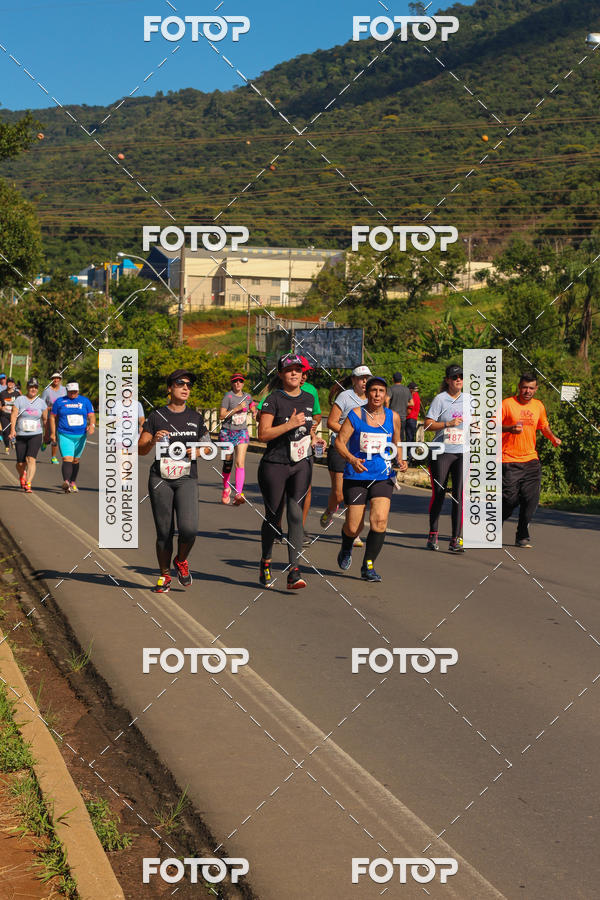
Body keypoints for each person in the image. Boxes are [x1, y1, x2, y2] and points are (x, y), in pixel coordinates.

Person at [139, 369, 209, 593]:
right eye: (181, 384)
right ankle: (164, 575)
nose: (186, 388)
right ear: (170, 388)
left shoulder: (196, 418)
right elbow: (140, 449)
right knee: (164, 532)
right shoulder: (156, 415)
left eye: (189, 385)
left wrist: (199, 451)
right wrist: (152, 442)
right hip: (161, 478)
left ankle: (181, 559)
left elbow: (208, 446)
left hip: (187, 478)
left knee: (189, 529)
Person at [334, 376, 406, 581]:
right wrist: (350, 458)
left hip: (383, 475)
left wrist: (400, 459)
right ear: (367, 394)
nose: (377, 395)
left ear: (386, 395)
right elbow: (340, 442)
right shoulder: (355, 415)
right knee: (354, 526)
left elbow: (397, 441)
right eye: (373, 390)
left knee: (380, 522)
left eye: (381, 391)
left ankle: (368, 566)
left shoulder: (393, 417)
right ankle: (346, 547)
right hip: (357, 475)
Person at [257, 354, 317, 590]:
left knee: (295, 513)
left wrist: (314, 439)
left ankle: (294, 570)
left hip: (301, 463)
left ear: (303, 375)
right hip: (275, 464)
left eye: (298, 370)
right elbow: (263, 435)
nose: (294, 373)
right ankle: (266, 561)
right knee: (274, 517)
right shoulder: (273, 400)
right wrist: (289, 425)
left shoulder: (310, 398)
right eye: (289, 370)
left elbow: (307, 430)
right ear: (281, 374)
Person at [502, 373, 561, 548]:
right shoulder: (507, 404)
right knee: (510, 500)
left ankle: (522, 535)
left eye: (531, 388)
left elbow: (543, 425)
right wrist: (510, 429)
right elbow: (491, 425)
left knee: (531, 500)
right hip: (509, 459)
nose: (527, 391)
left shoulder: (538, 406)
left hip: (531, 460)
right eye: (524, 387)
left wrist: (553, 438)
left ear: (536, 389)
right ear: (519, 387)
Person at [321, 365, 371, 537]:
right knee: (340, 494)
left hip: (360, 452)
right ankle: (330, 509)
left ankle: (353, 532)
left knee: (356, 493)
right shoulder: (345, 396)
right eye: (361, 378)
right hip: (340, 449)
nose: (364, 381)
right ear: (353, 380)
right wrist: (350, 431)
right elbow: (331, 422)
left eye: (367, 378)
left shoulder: (372, 399)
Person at [423, 363, 465, 553]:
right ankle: (433, 534)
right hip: (441, 452)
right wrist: (448, 423)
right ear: (447, 380)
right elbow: (427, 425)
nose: (458, 380)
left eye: (461, 377)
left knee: (459, 495)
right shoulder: (440, 399)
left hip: (463, 452)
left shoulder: (470, 400)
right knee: (439, 493)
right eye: (455, 377)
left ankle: (456, 539)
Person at [219, 373, 256, 506]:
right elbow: (221, 415)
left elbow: (251, 404)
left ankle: (238, 493)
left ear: (243, 383)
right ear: (232, 383)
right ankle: (226, 488)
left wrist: (254, 410)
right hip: (227, 433)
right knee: (227, 463)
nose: (238, 383)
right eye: (235, 381)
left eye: (240, 381)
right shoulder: (227, 397)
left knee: (240, 463)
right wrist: (236, 409)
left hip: (242, 432)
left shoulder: (247, 396)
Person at [50, 382, 95, 493]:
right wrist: (52, 433)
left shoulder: (85, 401)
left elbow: (91, 415)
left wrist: (92, 425)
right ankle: (66, 482)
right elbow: (52, 417)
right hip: (65, 434)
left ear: (78, 391)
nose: (73, 394)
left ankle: (73, 481)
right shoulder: (60, 402)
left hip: (80, 436)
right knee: (67, 458)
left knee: (75, 460)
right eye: (71, 392)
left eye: (75, 392)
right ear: (67, 391)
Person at [298, 357, 322, 543]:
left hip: (305, 445)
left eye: (306, 373)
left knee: (306, 488)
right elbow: (261, 413)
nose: (303, 376)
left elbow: (317, 414)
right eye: (301, 372)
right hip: (283, 448)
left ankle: (300, 528)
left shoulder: (311, 390)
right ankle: (277, 526)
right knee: (283, 491)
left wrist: (311, 427)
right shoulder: (278, 391)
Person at [9, 377, 47, 493]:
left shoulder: (41, 403)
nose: (33, 389)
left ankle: (28, 483)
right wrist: (12, 430)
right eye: (31, 387)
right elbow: (14, 415)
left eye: (35, 387)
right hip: (21, 434)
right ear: (27, 388)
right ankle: (22, 475)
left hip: (36, 434)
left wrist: (47, 434)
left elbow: (45, 419)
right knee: (20, 463)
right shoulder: (20, 400)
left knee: (31, 459)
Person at [41, 372, 67, 463]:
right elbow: (42, 403)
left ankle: (53, 457)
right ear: (52, 379)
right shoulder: (47, 390)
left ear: (60, 380)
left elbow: (68, 400)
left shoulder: (64, 390)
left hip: (61, 416)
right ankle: (45, 441)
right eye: (54, 378)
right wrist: (49, 408)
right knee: (48, 435)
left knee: (55, 436)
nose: (56, 380)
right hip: (50, 415)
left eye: (58, 378)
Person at [385, 372, 413, 442]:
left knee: (390, 436)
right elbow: (412, 403)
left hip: (392, 417)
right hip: (403, 417)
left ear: (393, 379)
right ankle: (400, 452)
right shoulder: (406, 389)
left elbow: (386, 400)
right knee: (400, 437)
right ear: (401, 379)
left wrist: (386, 411)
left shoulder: (391, 389)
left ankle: (391, 452)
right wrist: (403, 403)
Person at [0, 377, 21, 455]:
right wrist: (1, 408)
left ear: (14, 384)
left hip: (14, 415)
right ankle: (7, 446)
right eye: (9, 382)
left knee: (13, 430)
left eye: (12, 382)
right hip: (4, 415)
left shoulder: (17, 394)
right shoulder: (2, 393)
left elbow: (21, 404)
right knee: (6, 431)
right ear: (7, 383)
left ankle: (13, 439)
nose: (10, 384)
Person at [405, 381, 421, 460]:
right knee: (411, 438)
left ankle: (409, 457)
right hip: (414, 419)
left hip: (410, 418)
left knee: (409, 438)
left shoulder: (412, 396)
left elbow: (409, 410)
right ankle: (410, 457)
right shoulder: (417, 395)